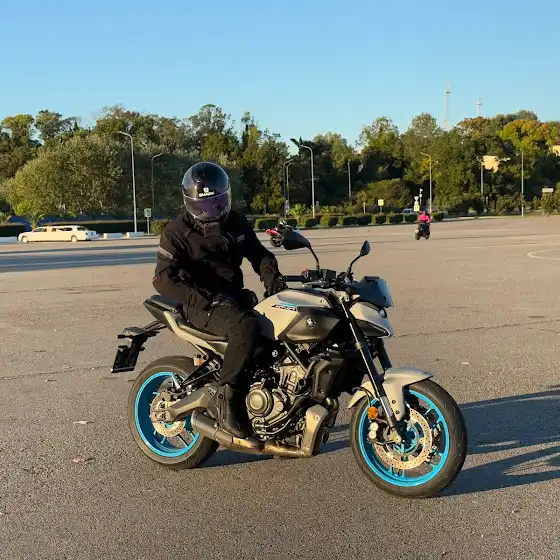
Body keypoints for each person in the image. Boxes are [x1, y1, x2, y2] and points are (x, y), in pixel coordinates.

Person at [152, 161, 285, 438]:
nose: (212, 211)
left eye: (218, 203)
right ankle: (227, 396)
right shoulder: (175, 232)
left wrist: (273, 281)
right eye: (204, 206)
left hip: (233, 298)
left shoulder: (237, 222)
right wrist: (199, 298)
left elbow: (260, 255)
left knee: (277, 332)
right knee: (245, 326)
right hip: (202, 303)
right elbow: (162, 279)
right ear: (189, 203)